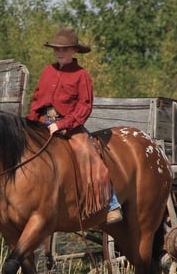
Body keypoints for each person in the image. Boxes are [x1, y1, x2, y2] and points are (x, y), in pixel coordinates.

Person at [26, 27, 123, 224]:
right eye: (57, 49)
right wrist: (31, 122)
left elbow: (84, 106)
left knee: (88, 153)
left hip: (71, 126)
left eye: (65, 49)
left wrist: (62, 125)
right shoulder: (47, 71)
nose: (60, 52)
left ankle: (111, 205)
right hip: (43, 122)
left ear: (74, 51)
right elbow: (36, 100)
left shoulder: (81, 75)